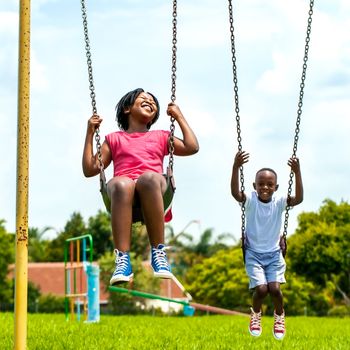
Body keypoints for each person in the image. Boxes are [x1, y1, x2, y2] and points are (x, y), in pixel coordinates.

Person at [82, 88, 199, 285]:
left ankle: (158, 254)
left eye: (153, 102)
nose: (150, 102)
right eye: (143, 99)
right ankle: (122, 259)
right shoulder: (113, 139)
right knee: (121, 183)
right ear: (127, 108)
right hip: (123, 193)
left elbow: (192, 146)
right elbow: (90, 169)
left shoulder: (161, 136)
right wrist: (89, 133)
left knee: (148, 179)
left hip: (154, 188)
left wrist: (178, 116)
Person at [231, 150, 303, 340]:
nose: (265, 187)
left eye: (269, 184)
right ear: (254, 186)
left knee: (275, 289)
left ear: (276, 187)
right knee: (261, 290)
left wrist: (297, 172)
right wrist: (236, 166)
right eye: (261, 184)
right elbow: (235, 193)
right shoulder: (250, 201)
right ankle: (256, 315)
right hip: (253, 254)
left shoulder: (279, 203)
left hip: (273, 255)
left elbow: (299, 198)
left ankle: (279, 316)